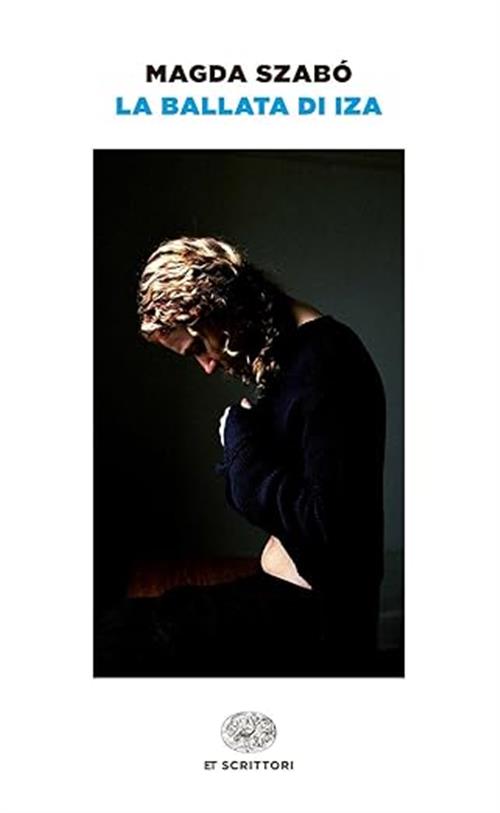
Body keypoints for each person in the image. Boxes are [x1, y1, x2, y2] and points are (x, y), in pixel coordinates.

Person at [95, 236, 386, 677]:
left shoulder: (328, 361)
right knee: (117, 626)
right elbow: (259, 489)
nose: (207, 366)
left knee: (114, 648)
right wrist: (243, 448)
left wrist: (239, 441)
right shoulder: (287, 360)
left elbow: (328, 530)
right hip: (284, 597)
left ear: (215, 312)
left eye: (197, 349)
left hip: (316, 622)